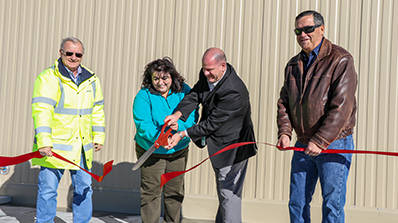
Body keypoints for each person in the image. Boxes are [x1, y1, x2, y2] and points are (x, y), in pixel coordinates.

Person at [276, 10, 357, 223]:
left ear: (322, 29)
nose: (303, 34)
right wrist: (285, 132)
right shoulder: (293, 65)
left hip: (334, 143)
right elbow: (284, 102)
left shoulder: (341, 60)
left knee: (332, 204)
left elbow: (342, 107)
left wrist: (320, 141)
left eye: (308, 29)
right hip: (303, 145)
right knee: (297, 202)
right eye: (298, 31)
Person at [165, 48, 257, 223]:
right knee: (224, 191)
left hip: (233, 147)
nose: (205, 73)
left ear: (223, 66)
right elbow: (195, 94)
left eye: (210, 70)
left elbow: (211, 124)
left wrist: (182, 134)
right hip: (218, 144)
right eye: (204, 69)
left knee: (229, 193)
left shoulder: (234, 91)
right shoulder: (208, 74)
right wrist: (178, 114)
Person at [31, 37, 105, 223]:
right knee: (48, 190)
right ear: (61, 53)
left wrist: (98, 136)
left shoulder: (92, 79)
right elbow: (42, 112)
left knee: (84, 189)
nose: (73, 57)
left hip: (81, 146)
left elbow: (97, 110)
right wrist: (44, 142)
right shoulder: (48, 77)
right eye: (69, 53)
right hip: (54, 146)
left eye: (78, 54)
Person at [132, 57, 197, 223]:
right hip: (152, 150)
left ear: (172, 77)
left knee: (174, 191)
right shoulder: (143, 96)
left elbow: (192, 116)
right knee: (151, 192)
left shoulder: (185, 91)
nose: (160, 83)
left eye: (165, 78)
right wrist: (160, 138)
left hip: (178, 149)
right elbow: (143, 124)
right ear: (150, 78)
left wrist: (179, 129)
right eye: (156, 78)